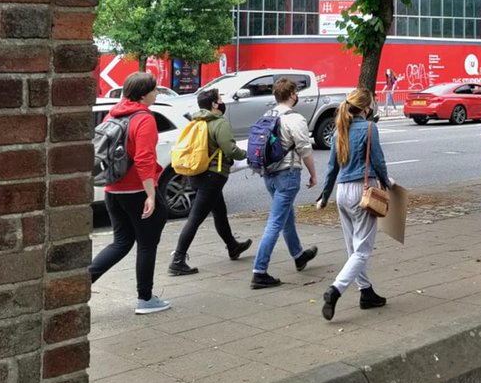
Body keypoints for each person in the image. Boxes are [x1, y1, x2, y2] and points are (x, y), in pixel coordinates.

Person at [89, 72, 171, 314]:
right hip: (136, 190)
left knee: (121, 242)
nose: (157, 94)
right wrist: (151, 195)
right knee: (147, 244)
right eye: (154, 90)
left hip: (112, 189)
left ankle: (81, 283)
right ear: (144, 95)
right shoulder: (144, 119)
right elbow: (145, 159)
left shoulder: (114, 113)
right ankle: (145, 299)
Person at [316, 87, 391, 319]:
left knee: (353, 248)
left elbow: (331, 167)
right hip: (363, 190)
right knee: (363, 250)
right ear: (366, 107)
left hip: (342, 191)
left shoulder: (341, 129)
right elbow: (378, 160)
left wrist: (324, 195)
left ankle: (366, 292)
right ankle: (335, 290)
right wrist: (386, 183)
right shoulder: (370, 128)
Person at [167, 88, 252, 276]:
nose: (222, 102)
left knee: (220, 212)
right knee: (195, 218)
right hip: (212, 176)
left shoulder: (197, 121)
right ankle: (178, 260)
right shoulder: (219, 123)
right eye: (219, 99)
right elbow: (230, 150)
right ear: (214, 104)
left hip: (196, 173)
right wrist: (248, 154)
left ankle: (232, 246)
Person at [250, 77, 320, 288]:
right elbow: (305, 149)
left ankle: (298, 255)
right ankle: (259, 271)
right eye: (295, 93)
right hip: (287, 174)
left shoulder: (268, 115)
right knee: (275, 222)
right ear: (291, 95)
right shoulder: (294, 119)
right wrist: (313, 174)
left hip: (269, 174)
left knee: (286, 215)